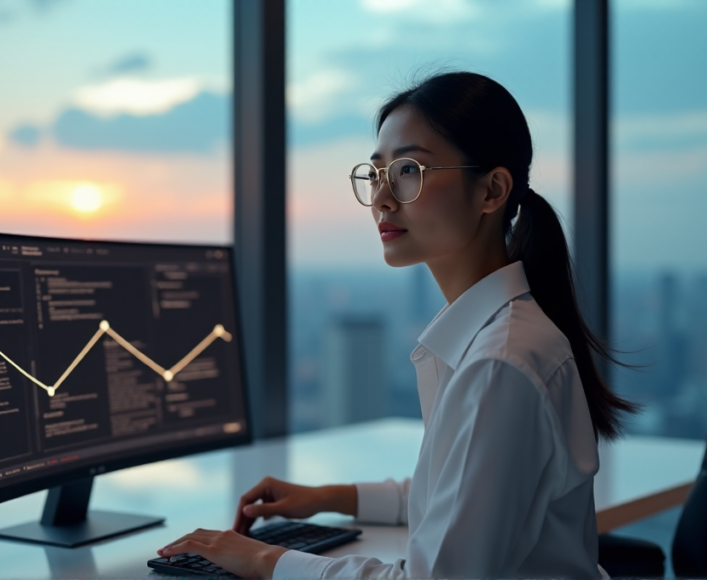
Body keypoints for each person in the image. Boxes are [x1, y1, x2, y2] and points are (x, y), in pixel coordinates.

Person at [157, 71, 637, 579]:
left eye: (409, 170)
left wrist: (265, 559)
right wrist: (327, 498)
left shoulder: (500, 363)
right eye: (376, 172)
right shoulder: (495, 337)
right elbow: (451, 496)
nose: (382, 198)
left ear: (492, 191)